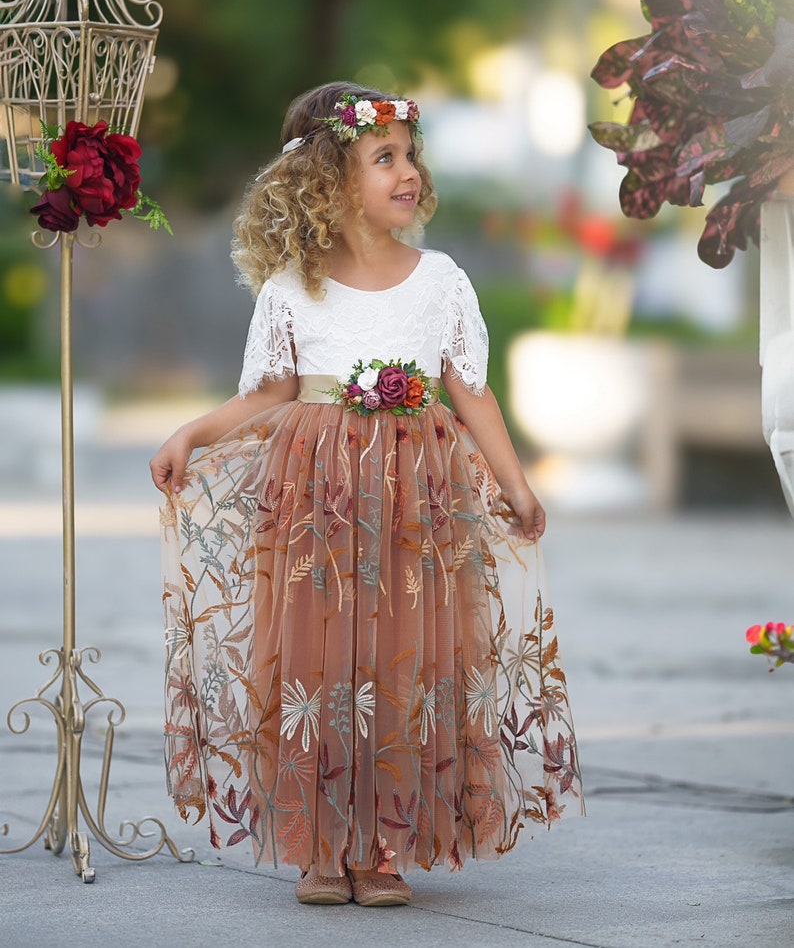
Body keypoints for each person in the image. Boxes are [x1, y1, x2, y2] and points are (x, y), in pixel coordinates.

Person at [150, 81, 583, 907]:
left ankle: (383, 843)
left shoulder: (442, 280)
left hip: (421, 500)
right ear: (329, 180)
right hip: (316, 498)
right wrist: (193, 434)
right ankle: (320, 841)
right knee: (313, 658)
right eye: (385, 157)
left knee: (405, 659)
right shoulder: (290, 289)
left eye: (410, 155)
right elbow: (269, 396)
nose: (409, 172)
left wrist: (516, 484)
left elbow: (472, 393)